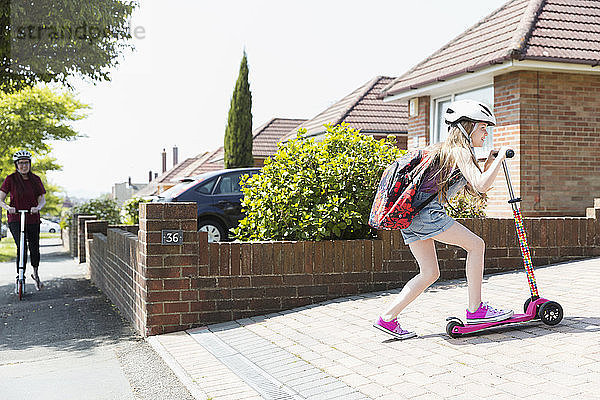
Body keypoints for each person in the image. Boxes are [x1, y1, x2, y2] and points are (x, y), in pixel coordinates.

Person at [373, 99, 514, 339]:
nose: (486, 133)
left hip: (411, 216)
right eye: (482, 127)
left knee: (429, 272)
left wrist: (490, 161)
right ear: (466, 127)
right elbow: (481, 184)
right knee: (477, 245)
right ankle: (476, 309)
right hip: (427, 216)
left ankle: (387, 318)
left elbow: (479, 186)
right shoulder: (459, 150)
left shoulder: (450, 151)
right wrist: (500, 158)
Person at [0, 150, 46, 292]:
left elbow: (42, 199)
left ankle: (36, 274)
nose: (24, 166)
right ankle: (20, 276)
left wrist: (37, 207)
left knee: (34, 247)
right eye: (20, 163)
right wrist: (8, 207)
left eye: (26, 163)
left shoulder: (36, 179)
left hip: (32, 218)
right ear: (16, 165)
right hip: (15, 218)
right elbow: (0, 199)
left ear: (30, 164)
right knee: (21, 247)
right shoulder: (10, 179)